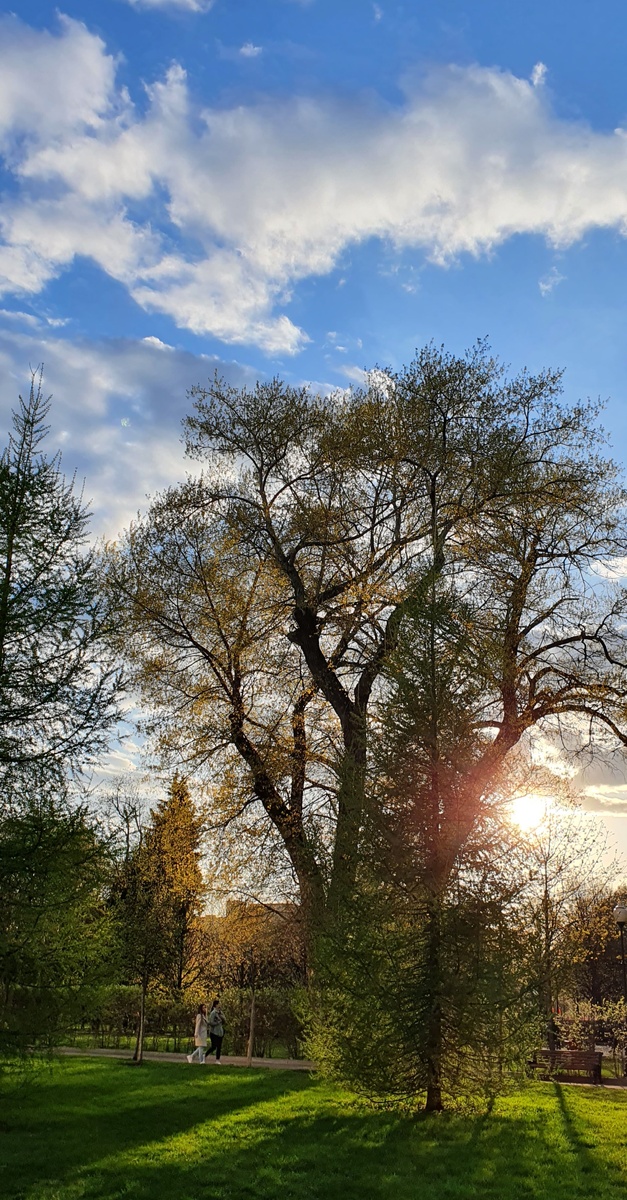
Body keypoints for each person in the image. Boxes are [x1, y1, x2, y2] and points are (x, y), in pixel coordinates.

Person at [206, 998, 225, 1064]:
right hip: (214, 1032)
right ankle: (205, 1055)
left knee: (219, 1046)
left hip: (220, 1032)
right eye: (219, 1004)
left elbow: (224, 1020)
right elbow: (210, 1022)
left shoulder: (220, 1012)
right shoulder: (213, 1013)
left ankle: (217, 1060)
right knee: (214, 1046)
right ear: (216, 1005)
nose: (220, 1005)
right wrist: (217, 1022)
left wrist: (221, 1016)